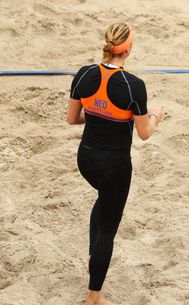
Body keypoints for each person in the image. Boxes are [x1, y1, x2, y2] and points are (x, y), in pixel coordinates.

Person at [67, 23, 164, 305]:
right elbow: (144, 133)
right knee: (108, 227)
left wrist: (100, 115)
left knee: (102, 201)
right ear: (129, 49)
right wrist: (156, 115)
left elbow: (73, 119)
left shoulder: (84, 74)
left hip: (86, 159)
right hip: (115, 166)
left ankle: (91, 258)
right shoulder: (133, 86)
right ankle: (93, 296)